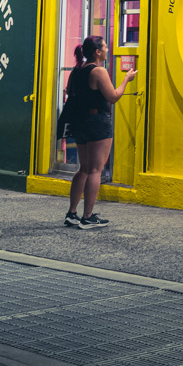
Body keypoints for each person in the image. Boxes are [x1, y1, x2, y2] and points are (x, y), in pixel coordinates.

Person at [60, 35, 130, 229]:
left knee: (83, 168)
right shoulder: (99, 71)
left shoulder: (76, 71)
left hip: (80, 122)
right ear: (97, 52)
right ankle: (88, 217)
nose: (107, 50)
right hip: (97, 122)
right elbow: (113, 96)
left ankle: (72, 213)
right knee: (95, 170)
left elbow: (69, 92)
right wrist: (126, 79)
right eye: (105, 47)